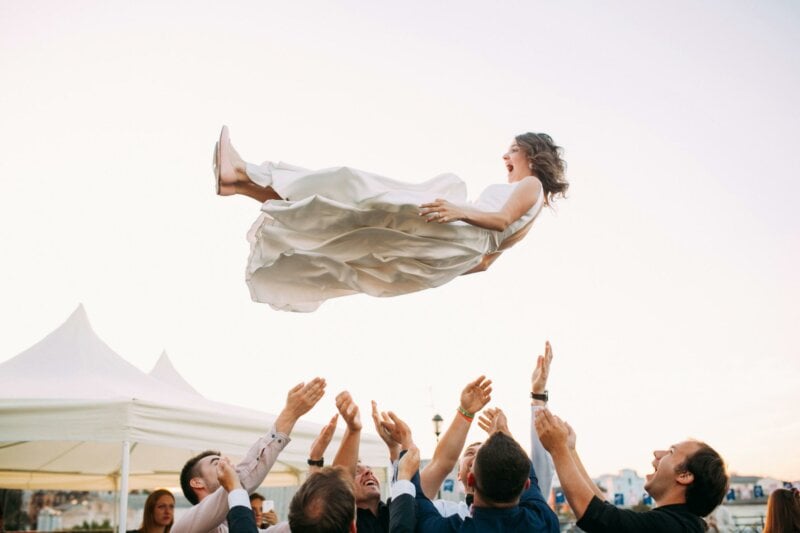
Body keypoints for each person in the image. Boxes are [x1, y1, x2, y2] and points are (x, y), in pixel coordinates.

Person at [213, 126, 568, 311]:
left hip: (456, 231)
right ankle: (239, 183)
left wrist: (459, 212)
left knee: (353, 188)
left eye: (513, 150)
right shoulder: (535, 212)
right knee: (346, 219)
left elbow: (501, 219)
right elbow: (486, 263)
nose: (505, 155)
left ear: (531, 155)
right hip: (454, 250)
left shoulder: (531, 184)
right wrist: (420, 265)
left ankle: (245, 176)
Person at [171, 378, 326, 533]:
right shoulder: (186, 527)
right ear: (197, 482)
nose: (227, 463)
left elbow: (301, 526)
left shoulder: (237, 527)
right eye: (216, 462)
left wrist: (315, 461)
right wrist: (289, 414)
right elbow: (242, 480)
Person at [536, 409, 729, 533]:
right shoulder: (682, 523)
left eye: (671, 451)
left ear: (685, 475)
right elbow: (606, 512)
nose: (657, 453)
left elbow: (598, 517)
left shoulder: (671, 527)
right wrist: (569, 450)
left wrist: (558, 449)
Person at [385, 408, 560, 532]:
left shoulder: (446, 527)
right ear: (526, 485)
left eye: (480, 454)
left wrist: (405, 446)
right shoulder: (543, 521)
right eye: (470, 453)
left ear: (470, 479)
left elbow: (417, 501)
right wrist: (503, 434)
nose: (474, 456)